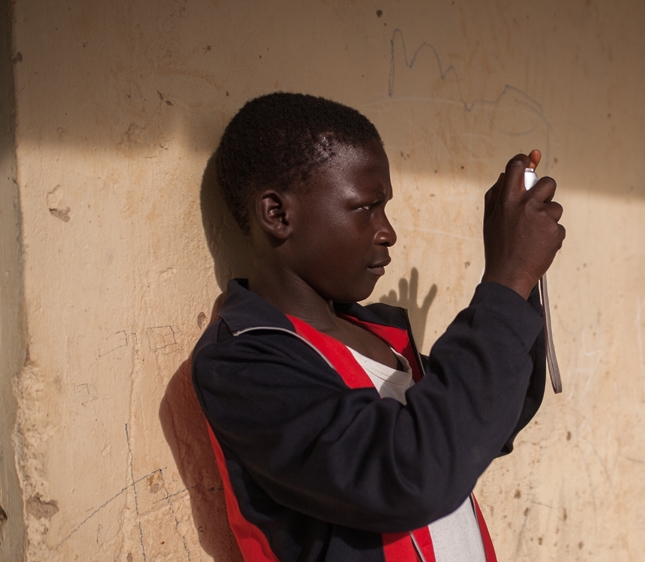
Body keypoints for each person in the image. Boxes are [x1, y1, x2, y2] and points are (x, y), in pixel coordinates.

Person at [190, 92, 566, 562]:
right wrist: (507, 279)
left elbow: (486, 421)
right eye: (366, 207)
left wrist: (521, 275)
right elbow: (413, 473)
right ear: (278, 215)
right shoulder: (245, 362)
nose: (387, 231)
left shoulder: (380, 341)